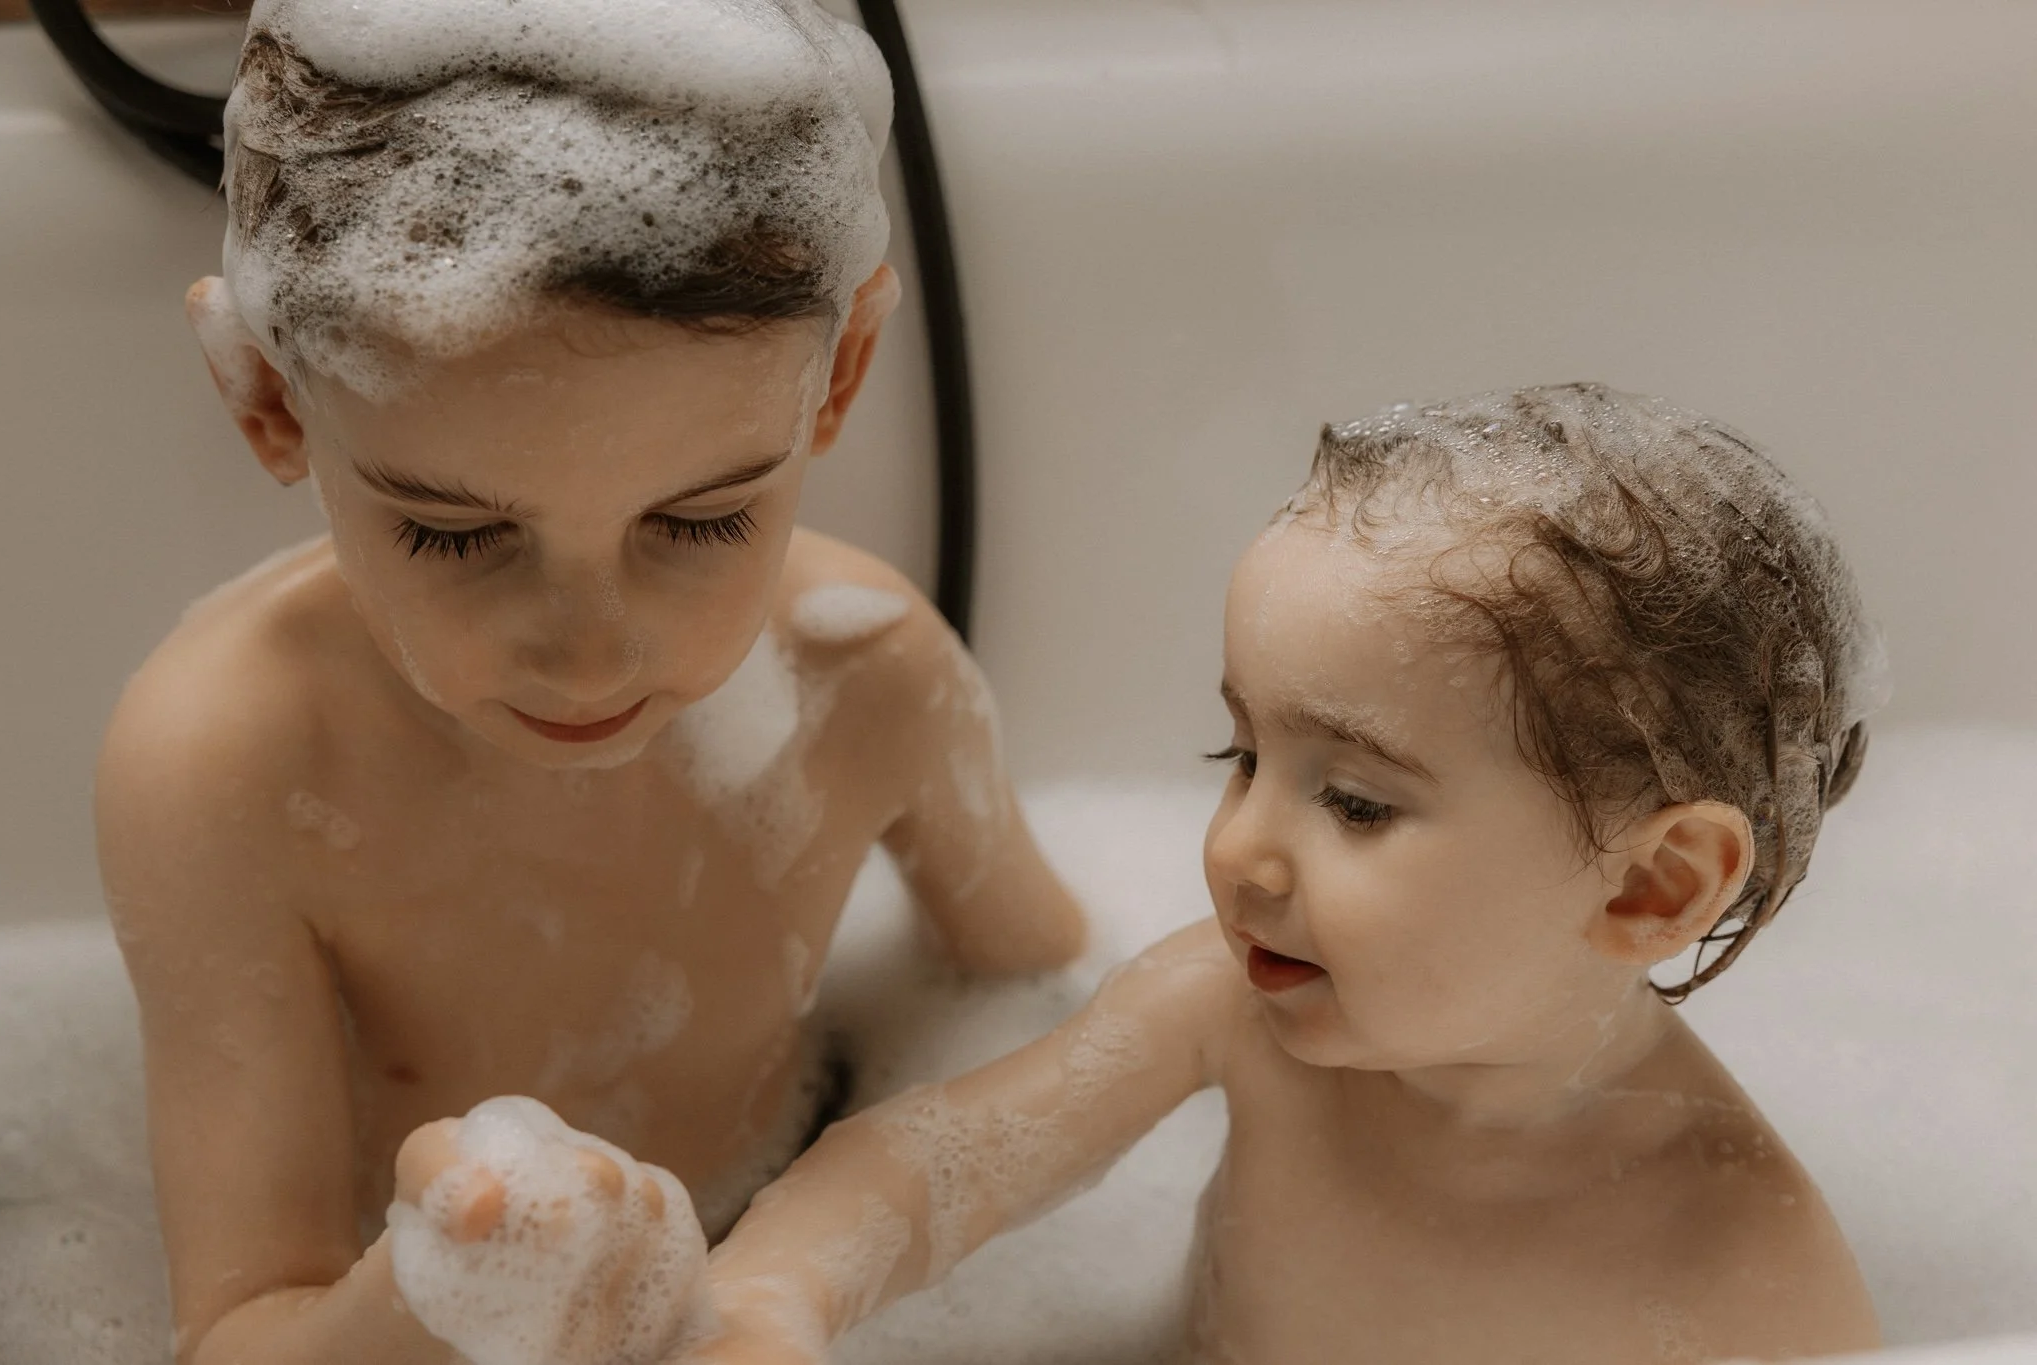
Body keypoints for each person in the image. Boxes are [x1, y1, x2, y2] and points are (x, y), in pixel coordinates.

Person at [420, 383, 1881, 1365]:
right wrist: (777, 1295)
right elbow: (937, 1168)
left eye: (1356, 804)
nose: (1243, 849)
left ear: (1649, 891)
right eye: (1239, 758)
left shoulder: (1743, 1256)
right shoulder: (1236, 1007)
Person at [94, 4, 1085, 1363]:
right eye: (455, 534)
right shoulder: (234, 763)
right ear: (266, 394)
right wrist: (454, 1284)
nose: (592, 650)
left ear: (840, 372)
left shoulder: (869, 672)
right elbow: (240, 1324)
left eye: (702, 523)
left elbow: (1049, 999)